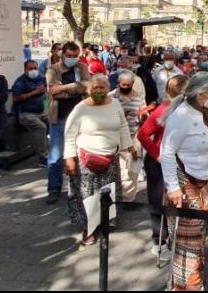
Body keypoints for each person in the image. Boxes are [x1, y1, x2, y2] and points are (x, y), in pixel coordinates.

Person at [161, 72, 208, 291]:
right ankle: (187, 285)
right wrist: (173, 188)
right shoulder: (181, 116)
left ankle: (194, 277)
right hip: (186, 184)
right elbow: (167, 152)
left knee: (199, 237)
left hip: (207, 183)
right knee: (188, 241)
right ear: (201, 94)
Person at [64, 75, 133, 245]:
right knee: (88, 195)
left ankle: (106, 223)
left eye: (102, 87)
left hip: (110, 158)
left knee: (107, 192)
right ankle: (90, 228)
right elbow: (69, 134)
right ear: (89, 90)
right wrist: (69, 159)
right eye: (95, 88)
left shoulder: (115, 104)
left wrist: (129, 146)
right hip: (87, 160)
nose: (99, 91)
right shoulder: (81, 108)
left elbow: (123, 126)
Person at [136, 74, 189, 261]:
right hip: (158, 162)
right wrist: (157, 154)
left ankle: (176, 236)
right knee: (158, 200)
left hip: (178, 161)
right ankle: (158, 240)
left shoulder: (186, 110)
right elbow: (142, 135)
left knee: (176, 199)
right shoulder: (162, 111)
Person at [46, 42, 91, 204]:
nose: (72, 59)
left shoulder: (82, 67)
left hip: (81, 116)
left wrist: (65, 88)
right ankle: (53, 189)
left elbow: (88, 87)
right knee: (56, 155)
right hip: (60, 116)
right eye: (69, 56)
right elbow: (54, 92)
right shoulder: (53, 70)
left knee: (79, 154)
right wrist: (77, 89)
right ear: (62, 55)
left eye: (75, 56)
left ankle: (77, 188)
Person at [109, 71, 145, 203]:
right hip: (117, 136)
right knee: (121, 168)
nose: (125, 87)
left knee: (133, 168)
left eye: (128, 85)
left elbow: (142, 111)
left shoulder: (139, 96)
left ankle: (128, 198)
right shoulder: (111, 96)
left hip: (134, 134)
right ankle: (117, 195)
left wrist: (142, 116)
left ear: (132, 84)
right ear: (118, 84)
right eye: (122, 85)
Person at [12, 60, 48, 167]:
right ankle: (43, 157)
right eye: (30, 69)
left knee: (55, 121)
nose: (33, 71)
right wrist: (35, 92)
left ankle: (55, 152)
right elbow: (16, 98)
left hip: (41, 111)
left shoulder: (40, 78)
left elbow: (47, 88)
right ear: (25, 70)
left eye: (35, 68)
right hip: (25, 113)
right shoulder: (20, 81)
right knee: (40, 127)